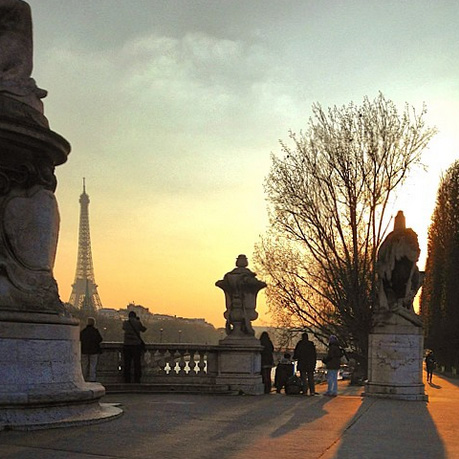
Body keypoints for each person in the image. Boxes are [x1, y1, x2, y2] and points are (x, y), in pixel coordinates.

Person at [123, 311, 147, 383]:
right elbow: (143, 329)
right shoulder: (137, 323)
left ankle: (127, 379)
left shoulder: (125, 323)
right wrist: (138, 321)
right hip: (136, 345)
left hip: (127, 345)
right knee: (137, 363)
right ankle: (137, 379)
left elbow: (123, 328)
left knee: (127, 363)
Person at [80, 317, 103, 382]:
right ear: (94, 323)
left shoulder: (83, 331)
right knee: (93, 365)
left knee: (84, 365)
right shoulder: (95, 331)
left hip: (84, 350)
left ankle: (84, 378)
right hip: (94, 350)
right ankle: (92, 378)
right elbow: (100, 339)